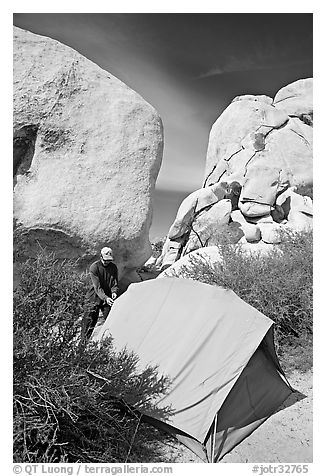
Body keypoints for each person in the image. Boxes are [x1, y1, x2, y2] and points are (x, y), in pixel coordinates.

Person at [81, 246, 119, 341]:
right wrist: (106, 297)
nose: (107, 262)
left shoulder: (113, 267)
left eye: (109, 260)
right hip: (93, 298)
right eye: (105, 260)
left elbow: (114, 282)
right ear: (101, 257)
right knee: (88, 325)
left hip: (107, 298)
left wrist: (114, 292)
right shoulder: (94, 267)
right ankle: (81, 348)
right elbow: (97, 287)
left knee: (111, 322)